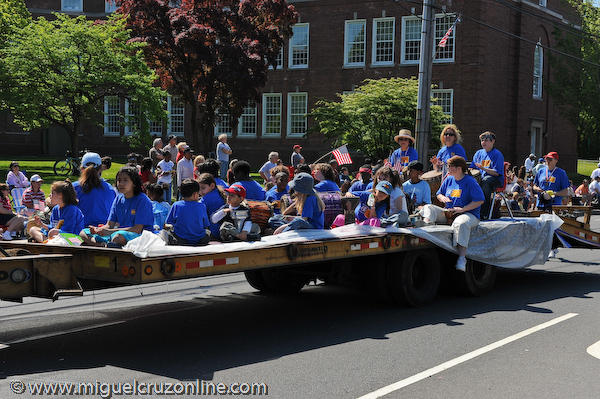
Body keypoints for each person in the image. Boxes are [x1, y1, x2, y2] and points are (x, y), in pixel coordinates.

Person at [420, 156, 485, 271]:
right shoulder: (449, 179)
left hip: (468, 214)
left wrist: (463, 209)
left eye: (450, 166)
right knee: (428, 208)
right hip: (449, 212)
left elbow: (480, 200)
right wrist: (443, 198)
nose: (448, 168)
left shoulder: (470, 181)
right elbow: (439, 194)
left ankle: (461, 257)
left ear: (459, 168)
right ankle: (425, 228)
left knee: (461, 223)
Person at [80, 166, 154, 247]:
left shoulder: (143, 200)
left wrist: (109, 232)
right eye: (119, 180)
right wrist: (98, 230)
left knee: (118, 237)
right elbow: (109, 225)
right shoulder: (119, 198)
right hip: (115, 233)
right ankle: (102, 245)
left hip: (140, 237)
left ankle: (103, 244)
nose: (121, 183)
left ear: (134, 183)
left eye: (125, 180)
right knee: (83, 233)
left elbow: (137, 229)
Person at [73, 152, 117, 228]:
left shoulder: (73, 187)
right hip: (104, 230)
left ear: (81, 168)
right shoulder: (109, 188)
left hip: (79, 230)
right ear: (100, 168)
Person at [163, 179, 210, 246]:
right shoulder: (201, 206)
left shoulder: (176, 205)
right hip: (199, 239)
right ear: (194, 194)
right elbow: (206, 224)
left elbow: (169, 222)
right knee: (207, 233)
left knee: (169, 233)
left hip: (181, 239)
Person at [470, 131, 504, 219]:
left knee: (485, 181)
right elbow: (472, 168)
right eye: (482, 140)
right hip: (481, 178)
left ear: (493, 141)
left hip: (495, 180)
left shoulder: (497, 154)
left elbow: (497, 173)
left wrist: (483, 168)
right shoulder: (478, 153)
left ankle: (484, 213)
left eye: (486, 140)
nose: (483, 142)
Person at [198, 172, 227, 239]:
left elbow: (197, 213)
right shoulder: (220, 192)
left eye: (203, 188)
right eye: (199, 189)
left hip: (213, 232)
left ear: (212, 186)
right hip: (222, 230)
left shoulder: (206, 199)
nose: (200, 192)